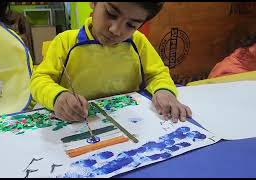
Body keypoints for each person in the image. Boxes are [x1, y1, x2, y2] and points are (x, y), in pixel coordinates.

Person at [30, 2, 192, 123]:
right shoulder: (65, 42)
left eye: (131, 25)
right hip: (75, 124)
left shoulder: (139, 42)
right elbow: (39, 80)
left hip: (129, 122)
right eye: (111, 14)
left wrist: (164, 90)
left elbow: (157, 74)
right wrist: (58, 96)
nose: (116, 30)